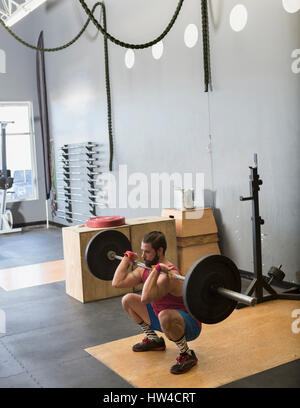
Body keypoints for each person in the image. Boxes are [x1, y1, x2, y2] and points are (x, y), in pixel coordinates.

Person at [112, 230, 201, 374]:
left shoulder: (169, 274)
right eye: (142, 251)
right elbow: (117, 282)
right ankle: (154, 340)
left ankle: (187, 354)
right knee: (127, 300)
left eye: (147, 252)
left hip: (186, 324)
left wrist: (156, 270)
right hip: (159, 316)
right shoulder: (146, 268)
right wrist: (126, 260)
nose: (142, 256)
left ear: (159, 251)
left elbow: (145, 297)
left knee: (165, 315)